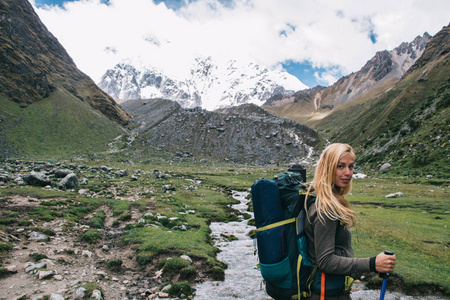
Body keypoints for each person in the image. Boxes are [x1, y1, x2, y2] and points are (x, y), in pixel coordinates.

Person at [304, 143, 396, 300]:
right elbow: (326, 261)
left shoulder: (322, 198)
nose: (348, 173)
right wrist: (373, 264)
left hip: (331, 289)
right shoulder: (326, 209)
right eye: (340, 166)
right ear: (327, 168)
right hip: (325, 294)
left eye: (351, 166)